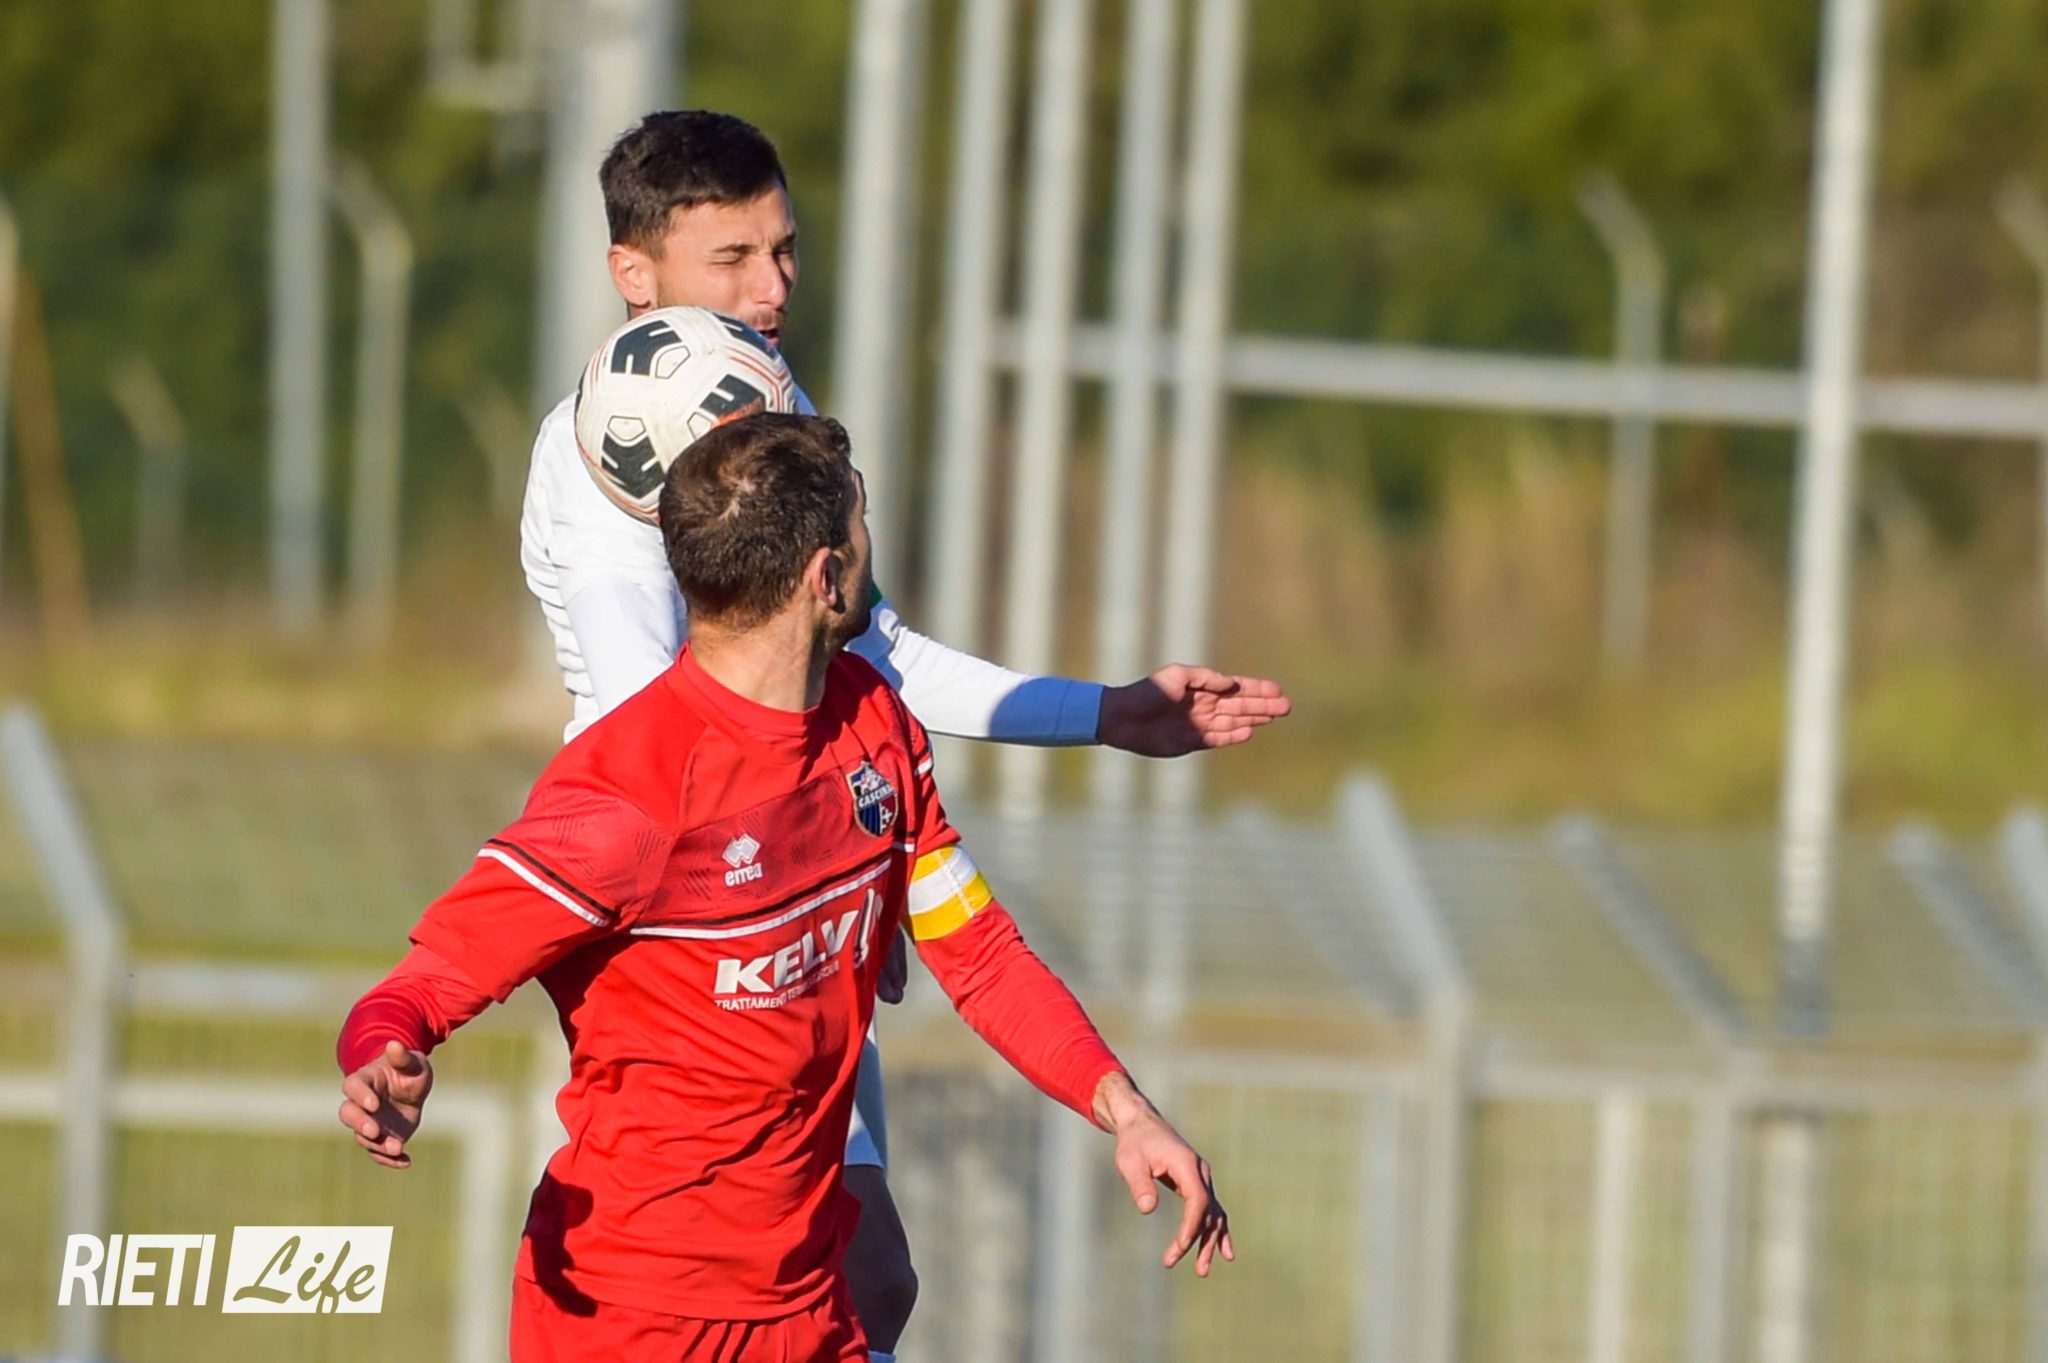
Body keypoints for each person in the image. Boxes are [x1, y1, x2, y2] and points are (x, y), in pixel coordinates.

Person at [519, 109, 1284, 1358]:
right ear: (632, 274)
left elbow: (877, 655)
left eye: (785, 250)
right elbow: (653, 738)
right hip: (688, 918)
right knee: (794, 1272)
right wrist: (826, 879)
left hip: (795, 875)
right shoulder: (606, 472)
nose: (773, 288)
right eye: (733, 259)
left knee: (870, 1280)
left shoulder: (761, 409)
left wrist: (1104, 712)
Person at [341, 413, 1231, 1362]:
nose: (871, 547)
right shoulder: (626, 798)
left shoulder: (874, 727)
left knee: (885, 1280)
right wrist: (378, 1054)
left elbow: (978, 955)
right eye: (861, 522)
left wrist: (1124, 1108)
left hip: (809, 1311)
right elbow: (422, 986)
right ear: (825, 577)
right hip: (632, 1321)